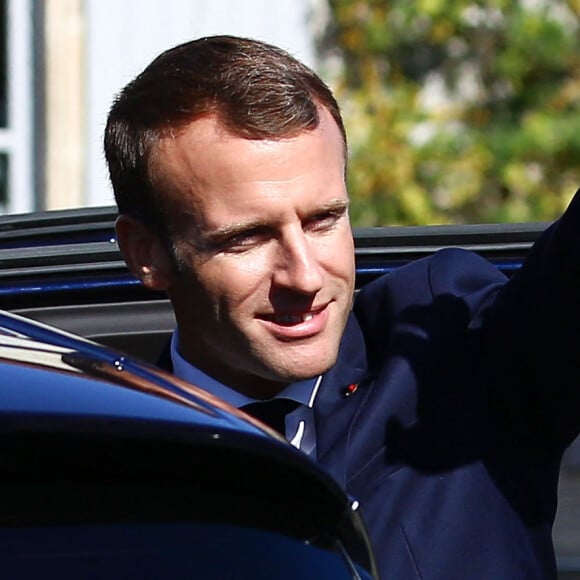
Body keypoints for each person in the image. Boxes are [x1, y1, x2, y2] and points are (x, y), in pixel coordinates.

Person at [104, 35, 580, 579]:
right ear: (147, 253)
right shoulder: (95, 470)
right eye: (249, 238)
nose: (305, 276)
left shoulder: (456, 362)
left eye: (324, 220)